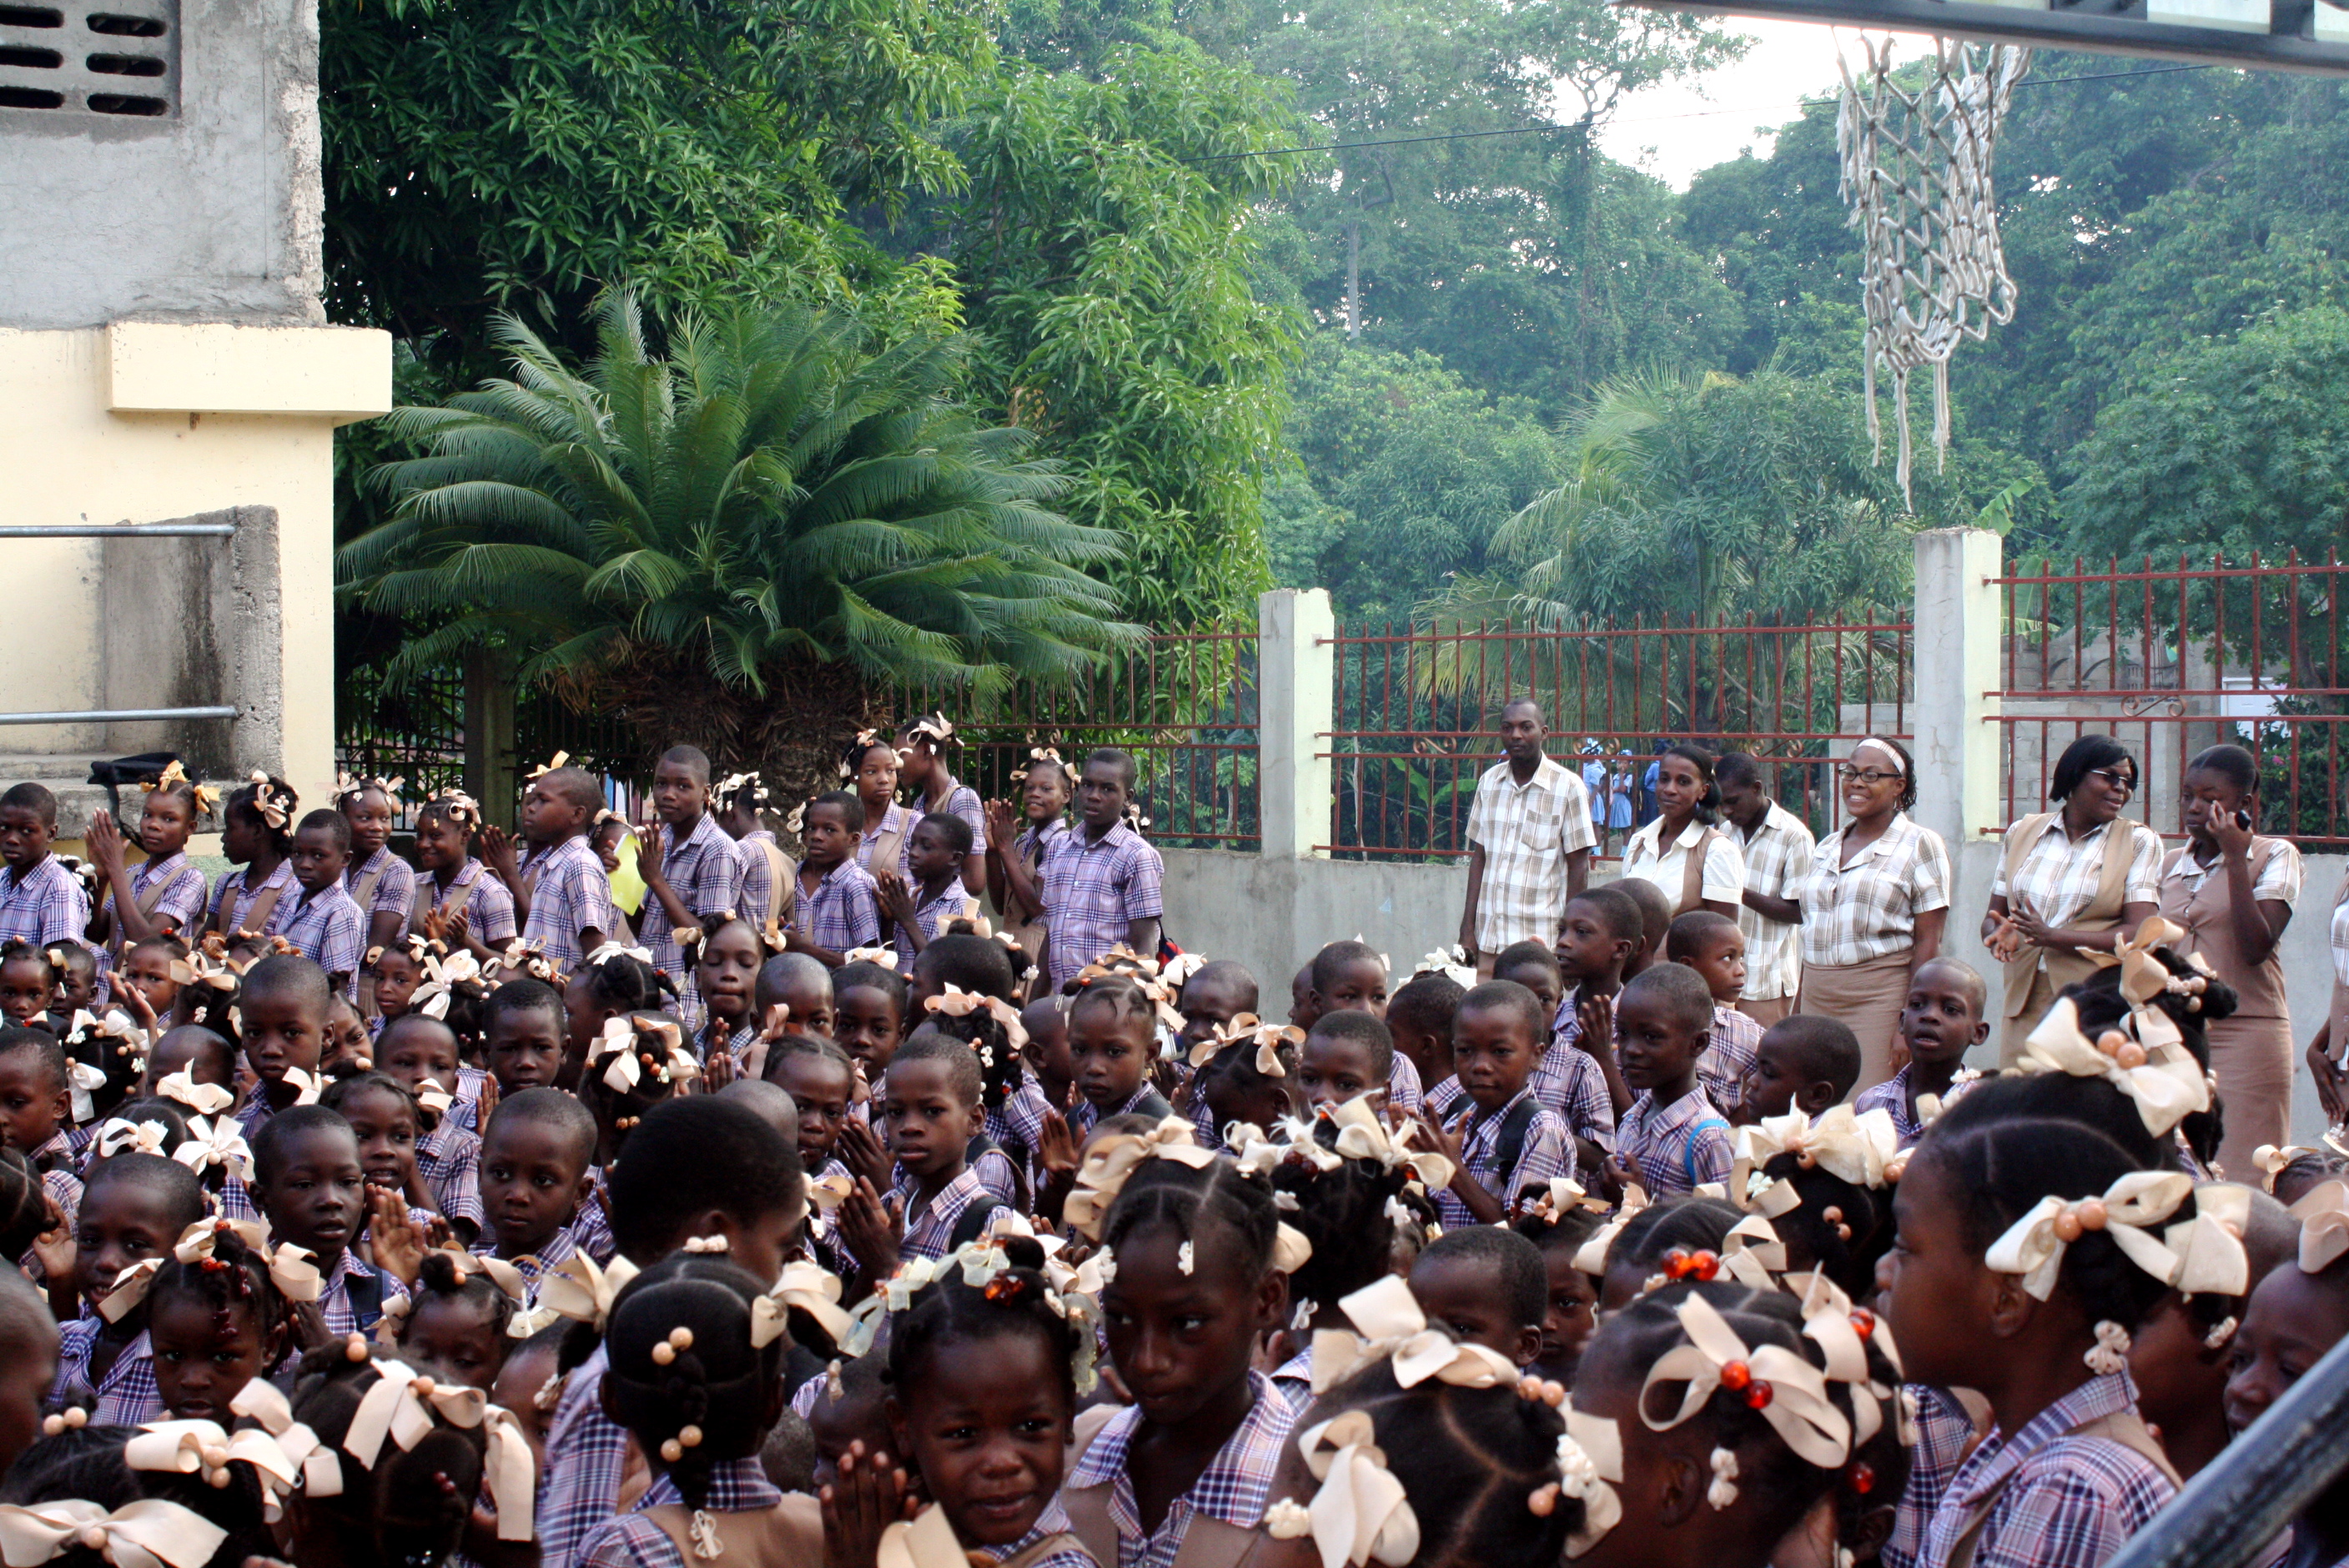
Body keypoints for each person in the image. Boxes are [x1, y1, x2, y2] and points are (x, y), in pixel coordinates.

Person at [2160, 743, 2301, 1175]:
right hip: (2176, 1035)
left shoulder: (2275, 856)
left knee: (2244, 1172)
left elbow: (2256, 947)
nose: (2194, 807)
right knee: (2178, 1169)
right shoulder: (2169, 864)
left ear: (2245, 804)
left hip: (2248, 1035)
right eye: (2187, 796)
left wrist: (2236, 857)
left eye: (2210, 798)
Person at [1981, 735, 2163, 1067]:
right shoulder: (2022, 832)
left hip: (2094, 1000)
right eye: (2110, 777)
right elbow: (1995, 916)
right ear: (2075, 774)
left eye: (2127, 782)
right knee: (2017, 1090)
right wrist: (1999, 933)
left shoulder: (2138, 841)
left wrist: (2055, 937)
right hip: (2025, 999)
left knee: (2081, 1093)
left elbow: (2139, 932)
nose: (2120, 789)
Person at [1795, 738, 1951, 1091]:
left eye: (1871, 775)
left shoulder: (1920, 844)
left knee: (1867, 1106)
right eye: (1850, 773)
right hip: (1817, 997)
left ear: (1899, 786)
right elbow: (1813, 930)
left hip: (1878, 1000)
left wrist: (1907, 1022)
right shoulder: (1827, 846)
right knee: (1812, 1105)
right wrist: (1797, 1011)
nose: (1857, 783)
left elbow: (1928, 942)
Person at [1458, 699, 1596, 974]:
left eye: (1526, 727)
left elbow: (1579, 868)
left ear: (1543, 733)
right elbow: (1479, 858)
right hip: (1489, 940)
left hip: (1539, 946)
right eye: (1507, 728)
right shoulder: (1489, 783)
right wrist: (1467, 928)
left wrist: (1570, 941)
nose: (1516, 735)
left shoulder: (1568, 788)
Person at [1037, 749, 1164, 995]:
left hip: (1108, 1001)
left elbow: (1145, 947)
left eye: (1107, 789)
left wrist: (1135, 1004)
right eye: (1087, 785)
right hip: (1061, 1000)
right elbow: (1052, 934)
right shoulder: (1058, 847)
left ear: (1127, 797)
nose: (1094, 796)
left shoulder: (1137, 855)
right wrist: (1034, 1004)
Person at [636, 745, 744, 1035]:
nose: (668, 794)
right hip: (650, 987)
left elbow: (708, 939)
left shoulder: (717, 849)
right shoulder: (661, 840)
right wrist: (622, 883)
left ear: (705, 793)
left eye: (683, 786)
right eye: (661, 784)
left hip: (686, 997)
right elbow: (647, 929)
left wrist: (655, 880)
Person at [1715, 751, 1815, 1028]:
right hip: (1724, 978)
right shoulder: (1726, 831)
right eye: (1721, 804)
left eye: (1733, 801)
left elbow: (1799, 911)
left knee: (1766, 1053)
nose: (1727, 811)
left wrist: (1737, 892)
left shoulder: (1794, 837)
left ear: (1757, 788)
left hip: (1766, 981)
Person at [1620, 741, 1745, 921]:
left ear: (1703, 791)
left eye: (1683, 782)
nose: (1670, 789)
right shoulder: (1640, 842)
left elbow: (1724, 931)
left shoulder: (1717, 851)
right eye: (1664, 779)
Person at [983, 748, 1074, 987]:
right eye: (1030, 788)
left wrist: (1005, 848)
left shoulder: (1062, 842)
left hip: (1037, 952)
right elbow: (1000, 906)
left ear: (1066, 796)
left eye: (1046, 789)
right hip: (1010, 946)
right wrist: (993, 851)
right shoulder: (1023, 840)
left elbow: (1035, 907)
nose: (1035, 794)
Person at [895, 714, 988, 894]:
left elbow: (975, 881)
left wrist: (920, 888)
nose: (897, 764)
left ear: (926, 750)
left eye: (902, 754)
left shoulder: (962, 800)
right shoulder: (919, 805)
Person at [0, 784, 89, 954]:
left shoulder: (59, 887)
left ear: (51, 834)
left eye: (27, 830)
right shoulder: (2, 878)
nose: (12, 839)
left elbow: (59, 959)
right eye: (4, 827)